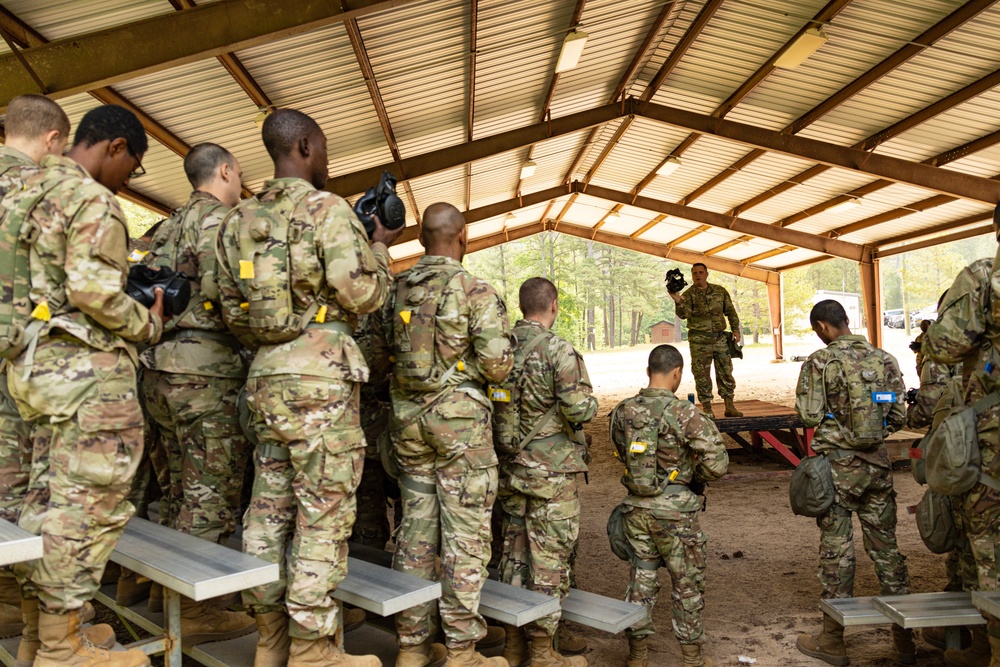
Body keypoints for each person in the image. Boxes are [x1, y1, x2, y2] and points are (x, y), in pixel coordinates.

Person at [215, 108, 400, 667]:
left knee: (268, 510)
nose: (326, 158)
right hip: (321, 378)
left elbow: (228, 307)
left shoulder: (238, 220)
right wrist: (381, 255)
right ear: (302, 146)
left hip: (265, 378)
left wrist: (276, 335)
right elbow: (362, 292)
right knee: (323, 513)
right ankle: (314, 648)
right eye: (322, 148)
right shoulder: (328, 210)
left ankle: (270, 639)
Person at [5, 104, 164, 667]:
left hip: (32, 372)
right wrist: (150, 320)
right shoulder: (88, 197)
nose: (128, 180)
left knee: (44, 500)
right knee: (86, 507)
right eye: (134, 167)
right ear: (115, 146)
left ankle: (38, 635)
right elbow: (96, 294)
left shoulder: (23, 190)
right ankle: (59, 648)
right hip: (84, 376)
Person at [376, 202, 513, 667]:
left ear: (420, 238)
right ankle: (461, 651)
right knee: (466, 536)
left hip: (407, 424)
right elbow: (497, 366)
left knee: (415, 532)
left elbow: (376, 357)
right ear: (463, 237)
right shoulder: (475, 290)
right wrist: (461, 374)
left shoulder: (394, 289)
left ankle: (412, 647)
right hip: (459, 429)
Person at [137, 143, 256, 642]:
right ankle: (195, 612)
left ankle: (154, 593)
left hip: (157, 372)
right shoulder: (229, 225)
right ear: (225, 171)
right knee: (211, 494)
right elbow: (245, 302)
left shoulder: (159, 229)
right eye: (239, 175)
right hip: (207, 376)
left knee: (178, 491)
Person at [794, 300, 913, 666]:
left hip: (836, 469)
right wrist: (873, 435)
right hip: (877, 466)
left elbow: (807, 414)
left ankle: (832, 640)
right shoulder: (885, 358)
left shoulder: (819, 361)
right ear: (846, 321)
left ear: (822, 326)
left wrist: (838, 431)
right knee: (887, 550)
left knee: (837, 552)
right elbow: (897, 415)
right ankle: (904, 641)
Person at [497, 277, 597, 667]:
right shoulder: (558, 350)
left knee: (513, 556)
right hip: (551, 475)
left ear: (522, 306)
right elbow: (580, 410)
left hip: (510, 469)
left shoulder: (500, 348)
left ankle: (512, 644)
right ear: (553, 305)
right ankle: (542, 652)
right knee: (550, 558)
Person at [0, 94, 70, 642]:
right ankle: (44, 635)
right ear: (52, 140)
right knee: (34, 492)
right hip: (23, 363)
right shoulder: (41, 192)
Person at [609, 344, 728, 667]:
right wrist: (689, 478)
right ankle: (691, 659)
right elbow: (717, 463)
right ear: (677, 374)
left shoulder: (622, 411)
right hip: (675, 512)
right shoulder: (686, 413)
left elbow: (621, 451)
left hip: (635, 509)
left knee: (641, 580)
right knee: (687, 582)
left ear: (649, 372)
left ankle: (637, 655)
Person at [924, 253, 1000, 667]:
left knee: (989, 552)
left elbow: (943, 346)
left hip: (993, 450)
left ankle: (992, 651)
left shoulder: (985, 276)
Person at [668, 263, 742, 418]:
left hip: (720, 338)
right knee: (701, 375)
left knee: (726, 372)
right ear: (692, 275)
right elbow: (683, 314)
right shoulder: (688, 295)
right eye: (695, 273)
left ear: (707, 273)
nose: (698, 275)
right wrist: (678, 301)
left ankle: (729, 406)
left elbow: (730, 311)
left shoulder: (719, 291)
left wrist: (735, 329)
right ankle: (707, 408)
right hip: (699, 341)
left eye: (701, 272)